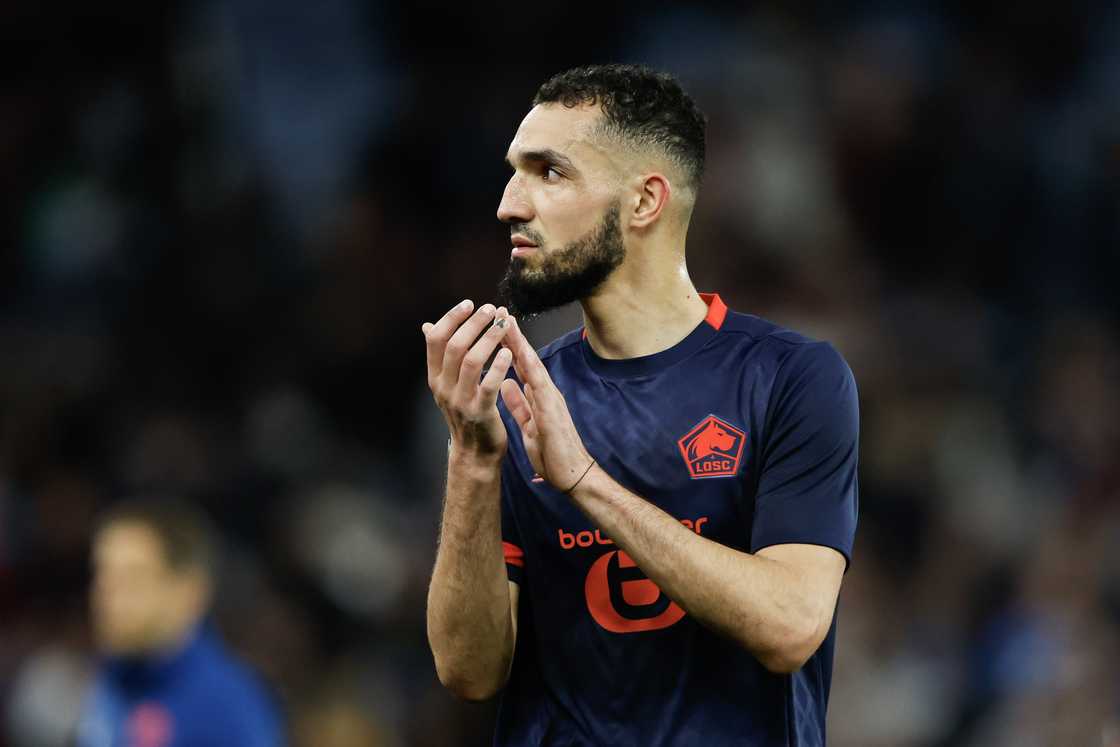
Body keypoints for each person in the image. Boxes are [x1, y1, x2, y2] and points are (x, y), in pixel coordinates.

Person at [423, 64, 858, 746]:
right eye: (514, 171)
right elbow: (469, 670)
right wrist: (474, 462)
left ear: (645, 202)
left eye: (550, 172)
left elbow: (791, 625)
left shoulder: (791, 379)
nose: (511, 202)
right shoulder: (516, 397)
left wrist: (587, 484)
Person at [77, 500, 283, 747]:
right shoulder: (112, 676)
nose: (106, 594)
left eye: (133, 577)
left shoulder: (229, 710)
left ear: (189, 590)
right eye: (103, 574)